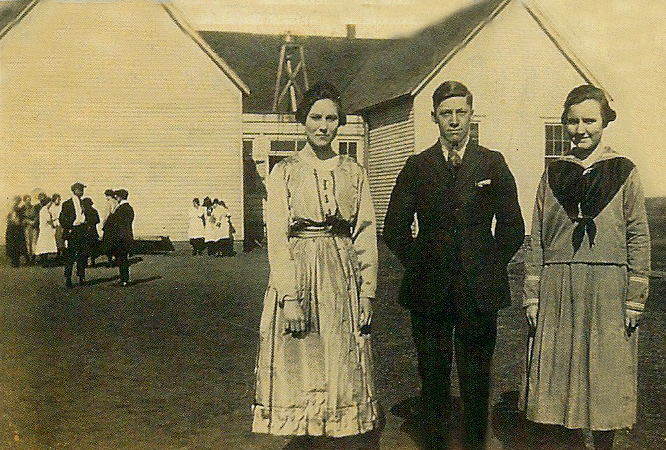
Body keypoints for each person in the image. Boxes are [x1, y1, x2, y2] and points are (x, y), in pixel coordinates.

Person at [383, 81, 525, 450]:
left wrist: (489, 265)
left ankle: (476, 441)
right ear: (434, 118)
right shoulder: (417, 166)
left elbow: (513, 226)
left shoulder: (492, 162)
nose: (454, 121)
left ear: (471, 115)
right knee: (432, 373)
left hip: (480, 289)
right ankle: (435, 441)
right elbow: (394, 230)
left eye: (461, 112)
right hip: (429, 289)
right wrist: (422, 263)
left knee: (476, 375)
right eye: (446, 113)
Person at [521, 85, 651, 450]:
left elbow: (638, 235)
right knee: (559, 377)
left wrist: (634, 297)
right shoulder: (552, 175)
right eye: (572, 121)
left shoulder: (624, 171)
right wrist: (533, 296)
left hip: (608, 287)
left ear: (604, 122)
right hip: (559, 285)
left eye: (589, 120)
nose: (580, 129)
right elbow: (538, 239)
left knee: (604, 375)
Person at [252, 82, 380, 444]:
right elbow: (277, 238)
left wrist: (367, 292)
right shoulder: (285, 171)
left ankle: (337, 430)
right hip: (300, 272)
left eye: (332, 118)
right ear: (302, 122)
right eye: (316, 118)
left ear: (340, 123)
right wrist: (289, 297)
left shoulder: (354, 171)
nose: (324, 126)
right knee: (304, 357)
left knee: (341, 357)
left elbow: (365, 232)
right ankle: (307, 435)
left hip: (342, 277)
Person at [59, 182, 89, 287]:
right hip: (73, 231)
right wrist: (70, 227)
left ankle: (81, 276)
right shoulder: (67, 204)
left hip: (82, 230)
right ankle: (68, 278)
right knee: (70, 256)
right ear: (74, 191)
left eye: (82, 190)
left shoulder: (83, 203)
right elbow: (62, 218)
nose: (81, 192)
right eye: (79, 190)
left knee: (83, 255)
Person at [105, 189, 135, 286]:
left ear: (120, 197)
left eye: (117, 196)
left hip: (120, 237)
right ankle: (125, 279)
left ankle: (124, 280)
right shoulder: (129, 208)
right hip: (127, 235)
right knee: (124, 258)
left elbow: (113, 222)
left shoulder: (121, 209)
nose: (116, 198)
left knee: (121, 259)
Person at [34, 193, 58, 265]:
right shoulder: (44, 210)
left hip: (46, 229)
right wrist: (54, 222)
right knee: (44, 245)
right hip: (45, 229)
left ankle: (45, 261)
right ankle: (44, 262)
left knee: (46, 245)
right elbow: (48, 220)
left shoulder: (46, 209)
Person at [5, 195, 27, 267]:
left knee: (17, 245)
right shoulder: (10, 209)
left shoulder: (19, 209)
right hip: (12, 229)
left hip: (17, 229)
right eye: (16, 201)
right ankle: (14, 261)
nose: (17, 202)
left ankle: (16, 261)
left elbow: (19, 220)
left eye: (18, 201)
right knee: (12, 244)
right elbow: (9, 219)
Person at [100, 189, 118, 266]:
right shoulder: (116, 202)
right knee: (115, 242)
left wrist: (103, 223)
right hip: (116, 224)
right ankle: (116, 258)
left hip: (109, 223)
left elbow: (107, 214)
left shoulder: (109, 202)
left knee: (108, 242)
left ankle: (110, 260)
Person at [81, 197, 101, 266]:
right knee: (92, 246)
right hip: (93, 230)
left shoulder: (83, 211)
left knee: (85, 247)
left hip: (85, 231)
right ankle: (92, 260)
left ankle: (86, 261)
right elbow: (98, 220)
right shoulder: (94, 211)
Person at [21, 194, 39, 265]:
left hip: (33, 227)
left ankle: (33, 258)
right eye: (27, 200)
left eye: (29, 200)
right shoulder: (22, 209)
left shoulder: (33, 207)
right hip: (26, 227)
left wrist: (34, 221)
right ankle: (28, 258)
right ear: (24, 201)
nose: (28, 202)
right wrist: (28, 221)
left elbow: (37, 216)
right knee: (28, 242)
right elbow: (21, 218)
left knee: (34, 242)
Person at [49, 193, 65, 261]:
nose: (59, 201)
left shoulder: (61, 206)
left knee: (61, 239)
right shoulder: (51, 207)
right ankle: (57, 253)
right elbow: (50, 216)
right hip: (54, 224)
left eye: (59, 200)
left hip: (60, 223)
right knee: (56, 239)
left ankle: (62, 253)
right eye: (57, 199)